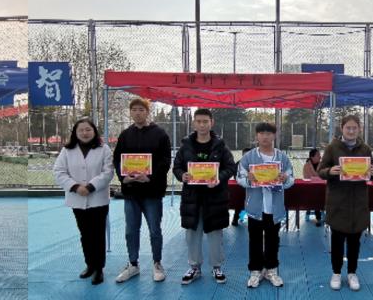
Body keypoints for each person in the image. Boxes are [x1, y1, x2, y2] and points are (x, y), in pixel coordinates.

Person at [172, 109, 236, 285]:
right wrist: (182, 175)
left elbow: (231, 167)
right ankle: (194, 267)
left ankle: (217, 267)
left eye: (205, 121)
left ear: (211, 123)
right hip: (192, 198)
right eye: (198, 121)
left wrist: (218, 178)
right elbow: (176, 167)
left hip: (215, 198)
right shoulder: (186, 146)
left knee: (215, 234)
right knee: (192, 234)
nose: (202, 125)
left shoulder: (221, 146)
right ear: (194, 123)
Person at [112, 97, 172, 283]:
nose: (137, 113)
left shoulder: (160, 134)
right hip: (131, 192)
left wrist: (150, 177)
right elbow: (117, 159)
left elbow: (165, 161)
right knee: (131, 230)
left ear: (147, 112)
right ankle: (133, 264)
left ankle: (157, 263)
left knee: (154, 229)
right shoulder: (125, 135)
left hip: (152, 192)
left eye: (141, 109)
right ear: (130, 112)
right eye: (134, 110)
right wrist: (123, 177)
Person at [53, 118, 115, 285]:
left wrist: (91, 186)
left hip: (98, 199)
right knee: (85, 234)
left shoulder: (104, 149)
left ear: (94, 131)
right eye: (81, 130)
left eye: (88, 129)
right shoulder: (67, 150)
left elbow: (108, 172)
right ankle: (90, 265)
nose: (85, 133)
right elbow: (59, 172)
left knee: (98, 234)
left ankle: (99, 268)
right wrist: (75, 187)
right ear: (75, 132)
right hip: (77, 199)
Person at [319, 114, 373, 291]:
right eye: (348, 128)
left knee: (354, 242)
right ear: (342, 129)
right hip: (338, 202)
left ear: (359, 129)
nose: (351, 131)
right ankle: (336, 273)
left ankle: (352, 273)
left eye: (354, 128)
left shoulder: (365, 149)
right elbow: (320, 170)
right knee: (337, 241)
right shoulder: (332, 147)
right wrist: (330, 171)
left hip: (358, 202)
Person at [236, 122, 294, 288]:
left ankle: (271, 270)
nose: (265, 137)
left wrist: (285, 179)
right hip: (255, 208)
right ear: (257, 136)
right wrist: (249, 180)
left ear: (274, 136)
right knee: (254, 240)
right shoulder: (248, 158)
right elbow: (239, 178)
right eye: (261, 133)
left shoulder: (282, 158)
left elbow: (291, 179)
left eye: (269, 133)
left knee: (273, 240)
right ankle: (255, 271)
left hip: (274, 208)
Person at [302, 148, 323, 225]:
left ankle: (319, 217)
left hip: (321, 189)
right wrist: (318, 178)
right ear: (312, 157)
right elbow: (307, 178)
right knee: (315, 196)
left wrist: (317, 178)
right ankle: (318, 218)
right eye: (318, 155)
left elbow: (324, 177)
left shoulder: (322, 165)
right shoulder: (306, 166)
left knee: (319, 195)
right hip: (309, 189)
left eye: (320, 155)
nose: (320, 157)